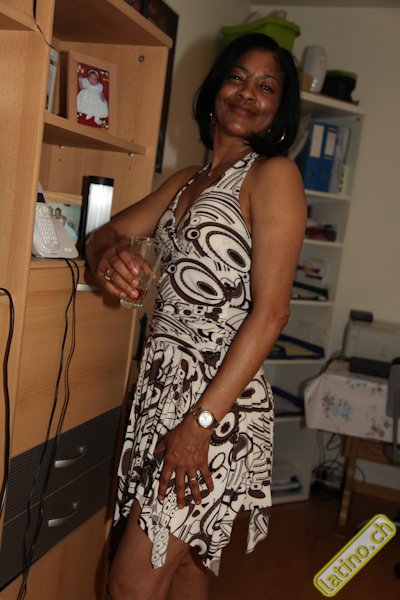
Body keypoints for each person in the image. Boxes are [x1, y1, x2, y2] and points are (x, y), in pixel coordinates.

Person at [85, 33, 307, 600]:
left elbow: (272, 313)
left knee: (130, 583)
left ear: (279, 110)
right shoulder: (185, 180)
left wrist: (200, 424)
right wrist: (109, 256)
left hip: (216, 406)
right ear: (215, 89)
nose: (248, 93)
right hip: (161, 393)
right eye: (238, 77)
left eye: (267, 87)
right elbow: (106, 232)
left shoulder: (272, 175)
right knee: (183, 567)